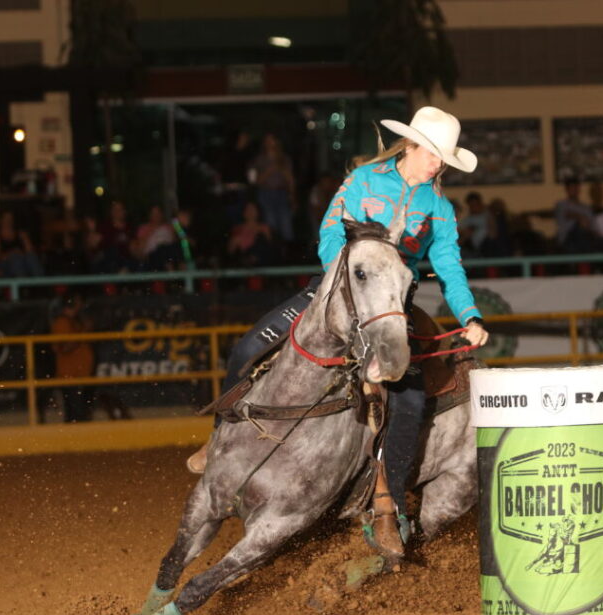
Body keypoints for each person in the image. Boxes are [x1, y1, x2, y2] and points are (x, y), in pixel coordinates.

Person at [195, 106, 490, 558]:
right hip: (339, 290)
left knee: (409, 400)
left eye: (444, 158)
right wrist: (344, 278)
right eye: (434, 154)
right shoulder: (364, 180)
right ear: (412, 146)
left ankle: (389, 508)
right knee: (249, 347)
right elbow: (330, 230)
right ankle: (219, 442)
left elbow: (449, 267)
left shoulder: (439, 208)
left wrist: (471, 317)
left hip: (390, 306)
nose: (439, 164)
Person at [51, 293, 95, 423]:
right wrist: (83, 333)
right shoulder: (62, 323)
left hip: (81, 374)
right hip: (70, 376)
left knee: (81, 412)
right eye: (78, 303)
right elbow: (64, 348)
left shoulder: (76, 321)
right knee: (75, 413)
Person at [252, 133, 295, 243]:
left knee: (285, 222)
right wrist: (270, 170)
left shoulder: (284, 159)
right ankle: (273, 247)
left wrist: (293, 195)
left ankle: (287, 249)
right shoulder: (259, 160)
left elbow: (290, 179)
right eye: (267, 141)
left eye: (272, 140)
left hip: (281, 193)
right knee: (270, 221)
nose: (270, 143)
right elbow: (256, 181)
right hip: (266, 193)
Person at [554, 178, 597, 253]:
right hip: (567, 239)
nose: (574, 190)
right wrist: (580, 218)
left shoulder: (586, 208)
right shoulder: (561, 204)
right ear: (567, 189)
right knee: (579, 229)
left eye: (575, 187)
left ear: (579, 189)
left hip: (586, 236)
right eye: (571, 188)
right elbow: (567, 214)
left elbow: (592, 226)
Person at [0, 211, 43, 277]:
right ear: (1, 220)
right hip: (7, 264)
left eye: (10, 219)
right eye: (6, 219)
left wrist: (25, 240)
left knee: (31, 258)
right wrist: (12, 253)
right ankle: (22, 284)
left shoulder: (20, 234)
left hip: (23, 262)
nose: (8, 221)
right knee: (15, 259)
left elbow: (30, 251)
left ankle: (40, 282)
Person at [227, 200, 274, 267]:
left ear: (258, 212)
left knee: (261, 238)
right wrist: (235, 241)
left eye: (252, 209)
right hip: (243, 259)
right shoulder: (237, 228)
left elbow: (270, 247)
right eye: (248, 209)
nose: (250, 212)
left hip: (261, 260)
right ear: (244, 212)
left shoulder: (265, 228)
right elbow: (230, 251)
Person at [459, 191, 493, 256]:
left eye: (475, 204)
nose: (473, 207)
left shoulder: (488, 216)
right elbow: (459, 230)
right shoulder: (467, 220)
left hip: (487, 248)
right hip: (473, 249)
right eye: (471, 205)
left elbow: (492, 234)